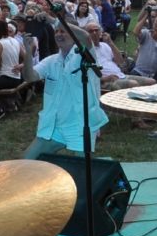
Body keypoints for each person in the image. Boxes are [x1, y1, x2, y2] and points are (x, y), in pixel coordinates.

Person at [24, 17, 108, 159]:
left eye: (63, 31)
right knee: (27, 161)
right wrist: (27, 52)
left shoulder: (86, 54)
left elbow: (86, 37)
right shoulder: (51, 61)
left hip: (80, 126)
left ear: (74, 33)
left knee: (83, 172)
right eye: (56, 31)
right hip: (54, 125)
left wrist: (52, 19)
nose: (58, 34)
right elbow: (30, 77)